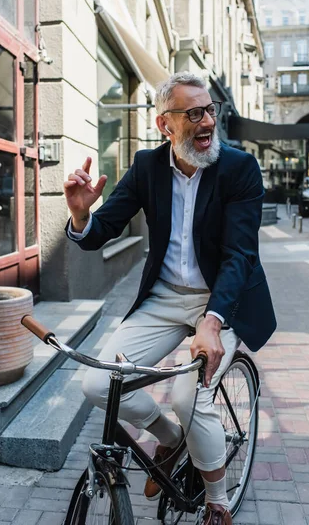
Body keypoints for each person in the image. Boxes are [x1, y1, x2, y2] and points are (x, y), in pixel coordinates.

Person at [64, 72, 277, 525]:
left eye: (210, 111)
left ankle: (218, 500)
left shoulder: (239, 169)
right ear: (166, 124)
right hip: (163, 297)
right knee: (98, 384)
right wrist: (82, 215)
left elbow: (241, 254)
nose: (207, 123)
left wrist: (213, 319)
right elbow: (102, 231)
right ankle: (169, 436)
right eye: (193, 113)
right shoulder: (146, 166)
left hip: (224, 300)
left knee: (188, 395)